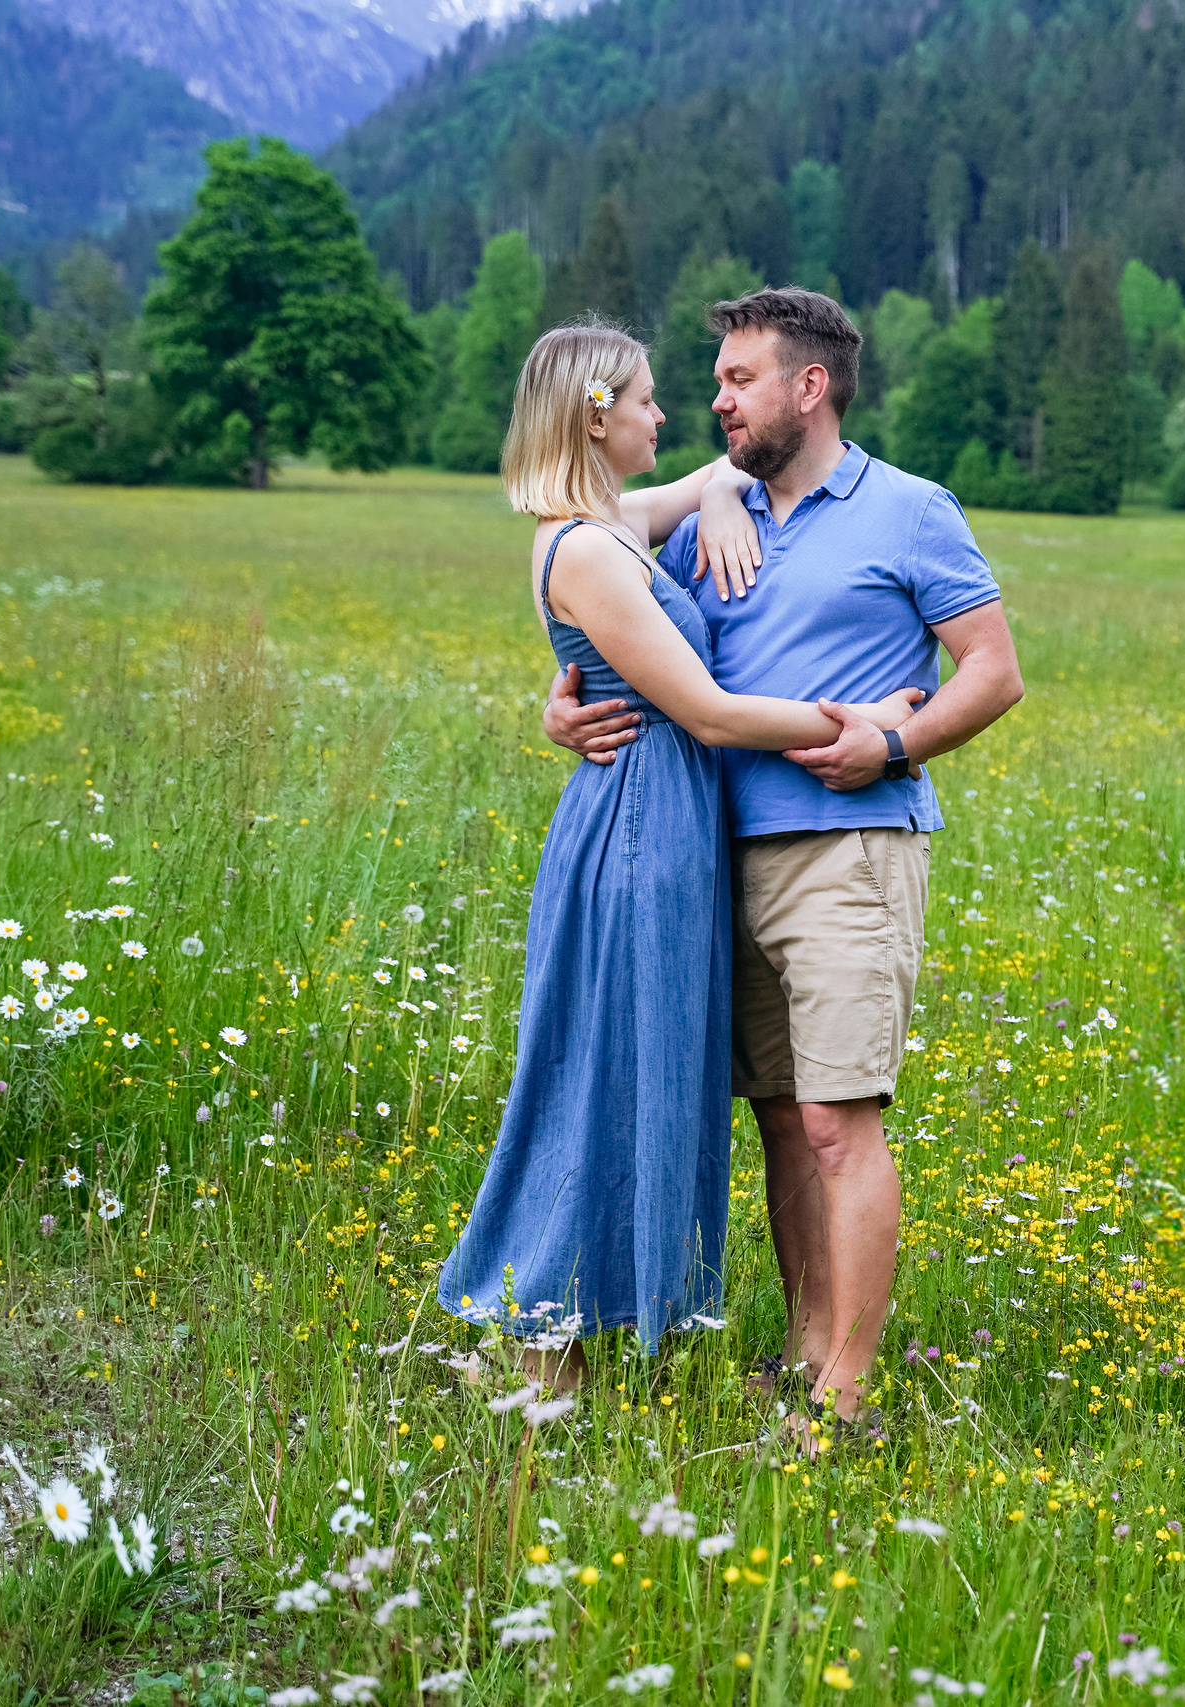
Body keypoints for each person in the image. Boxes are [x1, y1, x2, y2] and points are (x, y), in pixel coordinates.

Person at [547, 287, 1025, 1439]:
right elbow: (605, 610)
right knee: (775, 1116)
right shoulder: (714, 507)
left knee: (835, 1121)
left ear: (809, 387)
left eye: (737, 380)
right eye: (707, 383)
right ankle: (808, 1355)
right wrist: (559, 710)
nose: (714, 399)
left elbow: (993, 672)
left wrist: (896, 741)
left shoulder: (910, 511)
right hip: (714, 859)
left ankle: (846, 1402)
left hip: (849, 853)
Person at [437, 317, 923, 1394]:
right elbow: (702, 711)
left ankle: (558, 1336)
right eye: (651, 399)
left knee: (634, 1071)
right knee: (598, 1074)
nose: (675, 414)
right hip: (640, 834)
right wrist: (863, 718)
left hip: (670, 830)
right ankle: (538, 1349)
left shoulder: (614, 522)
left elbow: (721, 470)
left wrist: (711, 495)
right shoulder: (582, 547)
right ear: (598, 415)